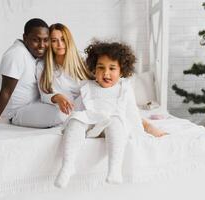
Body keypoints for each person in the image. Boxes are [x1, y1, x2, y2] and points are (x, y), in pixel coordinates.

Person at [54, 41, 166, 188]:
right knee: (76, 120)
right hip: (92, 124)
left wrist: (141, 132)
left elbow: (132, 113)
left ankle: (114, 168)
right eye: (101, 68)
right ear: (94, 69)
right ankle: (68, 166)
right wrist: (71, 122)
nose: (106, 73)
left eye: (112, 68)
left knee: (116, 120)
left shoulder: (124, 88)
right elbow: (79, 111)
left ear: (121, 71)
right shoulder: (88, 87)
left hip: (113, 124)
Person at [0, 18, 65, 131]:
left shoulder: (31, 54)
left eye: (45, 40)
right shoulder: (16, 54)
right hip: (18, 112)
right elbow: (5, 92)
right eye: (36, 40)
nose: (42, 45)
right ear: (25, 38)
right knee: (61, 114)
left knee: (67, 105)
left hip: (35, 104)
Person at [36, 23, 92, 116]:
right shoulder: (42, 66)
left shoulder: (83, 60)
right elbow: (43, 95)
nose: (60, 44)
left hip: (86, 109)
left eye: (63, 39)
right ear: (49, 43)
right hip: (61, 111)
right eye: (54, 40)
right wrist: (57, 97)